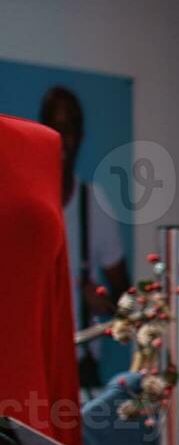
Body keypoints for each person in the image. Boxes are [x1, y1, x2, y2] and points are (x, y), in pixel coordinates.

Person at [38, 86, 129, 391]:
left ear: (80, 137)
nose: (63, 138)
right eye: (54, 127)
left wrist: (104, 302)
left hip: (79, 372)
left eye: (70, 128)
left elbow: (126, 302)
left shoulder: (95, 205)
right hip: (26, 364)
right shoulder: (20, 202)